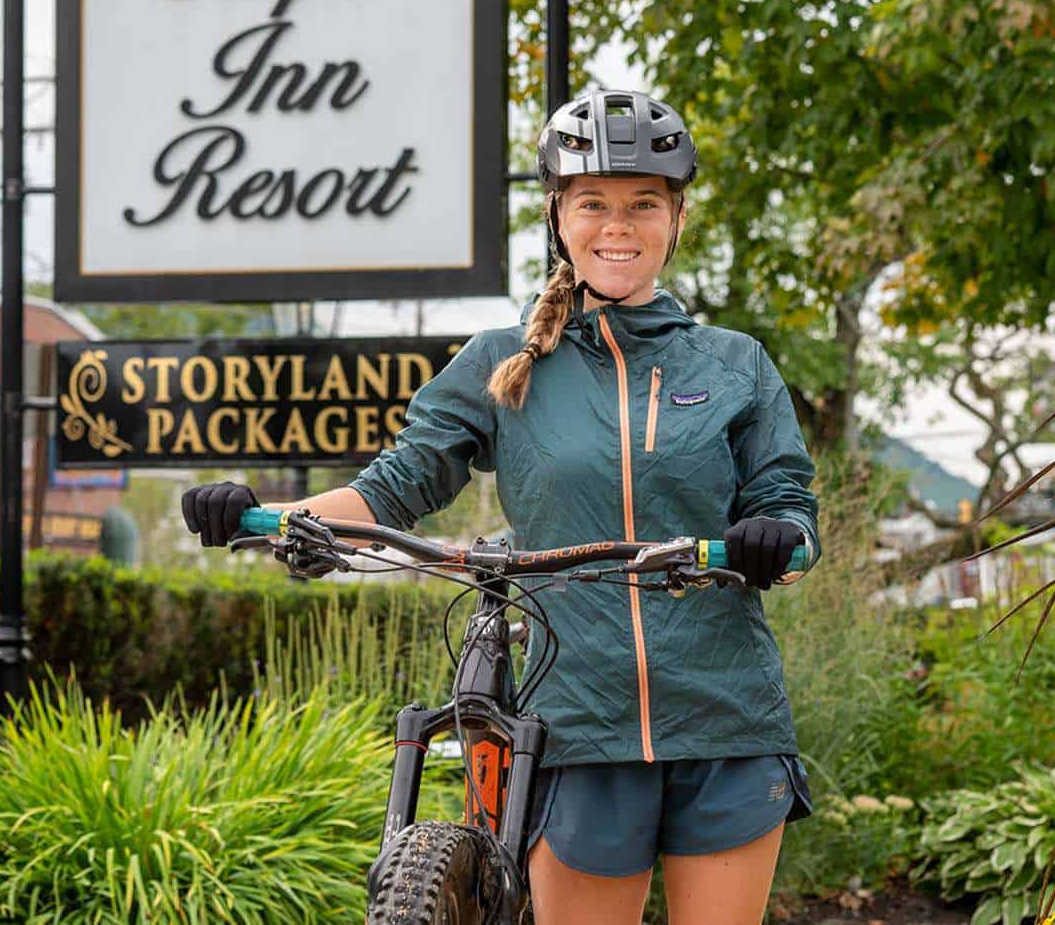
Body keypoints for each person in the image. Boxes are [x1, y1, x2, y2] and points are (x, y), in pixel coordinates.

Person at [182, 89, 819, 925]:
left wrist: (775, 535)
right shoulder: (500, 360)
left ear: (677, 217)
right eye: (594, 203)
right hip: (578, 723)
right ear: (559, 214)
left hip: (726, 718)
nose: (617, 225)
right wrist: (270, 511)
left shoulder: (735, 362)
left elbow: (787, 503)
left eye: (643, 205)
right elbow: (397, 483)